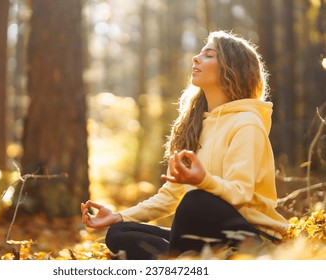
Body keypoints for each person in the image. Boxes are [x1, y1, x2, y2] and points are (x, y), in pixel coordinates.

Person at [81, 30, 288, 259]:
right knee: (119, 233)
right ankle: (185, 263)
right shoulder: (195, 124)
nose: (196, 58)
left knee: (195, 200)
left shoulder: (247, 124)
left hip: (252, 238)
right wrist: (119, 215)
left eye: (209, 55)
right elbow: (170, 196)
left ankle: (179, 264)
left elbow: (240, 194)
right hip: (206, 233)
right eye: (200, 53)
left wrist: (203, 181)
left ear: (232, 69)